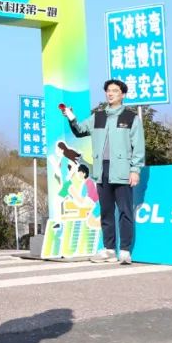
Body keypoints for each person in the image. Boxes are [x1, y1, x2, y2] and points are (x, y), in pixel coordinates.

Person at [58, 79, 145, 265]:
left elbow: (138, 147)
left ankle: (125, 251)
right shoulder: (98, 117)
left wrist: (135, 170)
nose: (110, 93)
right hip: (101, 170)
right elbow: (80, 131)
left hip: (122, 171)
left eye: (115, 91)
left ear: (122, 95)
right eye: (108, 91)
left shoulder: (131, 118)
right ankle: (109, 249)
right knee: (106, 212)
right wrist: (71, 118)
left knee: (125, 211)